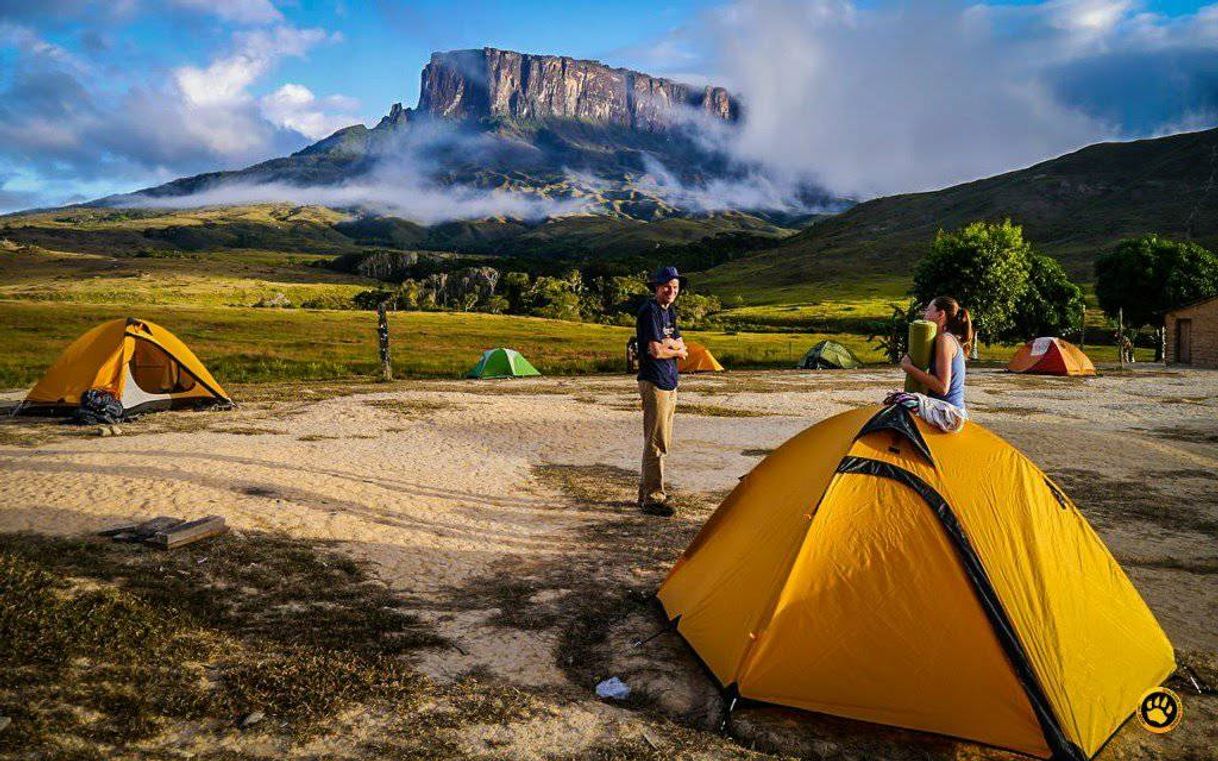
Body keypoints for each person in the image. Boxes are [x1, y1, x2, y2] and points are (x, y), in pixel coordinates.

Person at [636, 265, 687, 516]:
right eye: (666, 286)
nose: (671, 290)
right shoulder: (650, 311)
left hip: (669, 381)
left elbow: (678, 343)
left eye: (675, 287)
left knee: (661, 440)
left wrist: (671, 346)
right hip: (654, 381)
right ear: (656, 287)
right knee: (657, 442)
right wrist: (674, 350)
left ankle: (646, 492)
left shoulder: (670, 312)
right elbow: (656, 351)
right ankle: (653, 498)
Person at [900, 296, 972, 411]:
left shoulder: (945, 340)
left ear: (940, 314)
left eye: (928, 310)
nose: (924, 315)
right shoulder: (942, 339)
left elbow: (942, 388)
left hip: (948, 413)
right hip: (940, 407)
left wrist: (908, 367)